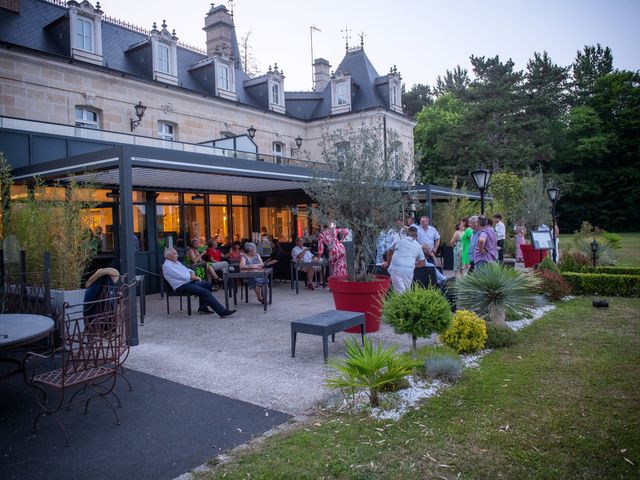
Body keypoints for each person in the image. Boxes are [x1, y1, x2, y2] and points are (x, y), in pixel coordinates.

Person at [162, 248, 235, 317]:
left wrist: (192, 272)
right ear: (169, 257)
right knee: (205, 292)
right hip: (181, 286)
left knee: (207, 285)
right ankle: (222, 311)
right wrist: (193, 277)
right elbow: (180, 276)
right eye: (175, 254)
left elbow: (187, 270)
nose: (177, 255)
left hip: (188, 282)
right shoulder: (167, 266)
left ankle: (203, 308)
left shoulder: (176, 262)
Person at [386, 226, 425, 294]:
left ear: (406, 233)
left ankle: (402, 304)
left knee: (400, 292)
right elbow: (422, 263)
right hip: (409, 270)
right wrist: (411, 264)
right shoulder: (418, 246)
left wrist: (389, 263)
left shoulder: (398, 240)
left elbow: (389, 252)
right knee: (406, 291)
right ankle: (406, 303)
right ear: (416, 235)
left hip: (396, 267)